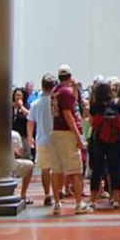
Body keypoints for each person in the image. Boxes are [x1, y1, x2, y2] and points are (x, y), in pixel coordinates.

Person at [51, 68, 88, 215]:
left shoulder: (55, 91)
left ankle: (57, 203)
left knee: (57, 169)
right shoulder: (66, 93)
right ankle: (79, 204)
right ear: (70, 76)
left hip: (56, 132)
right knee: (76, 170)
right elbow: (68, 115)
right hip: (67, 134)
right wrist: (78, 137)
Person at [90, 80, 120, 209]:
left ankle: (93, 199)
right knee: (114, 169)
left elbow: (92, 122)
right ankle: (116, 199)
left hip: (98, 140)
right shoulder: (116, 106)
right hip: (114, 140)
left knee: (97, 169)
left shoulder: (95, 107)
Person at [31, 74, 59, 207]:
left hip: (42, 139)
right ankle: (58, 193)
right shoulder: (56, 103)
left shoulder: (35, 104)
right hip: (57, 138)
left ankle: (47, 194)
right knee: (57, 168)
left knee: (45, 169)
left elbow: (30, 122)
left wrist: (30, 137)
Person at [11, 126, 35, 202]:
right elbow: (20, 153)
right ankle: (23, 194)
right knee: (30, 165)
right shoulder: (14, 135)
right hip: (10, 165)